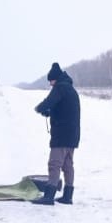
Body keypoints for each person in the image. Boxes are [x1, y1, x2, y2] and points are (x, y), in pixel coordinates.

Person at [32, 61, 80, 205]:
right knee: (68, 165)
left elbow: (48, 102)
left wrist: (39, 108)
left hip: (62, 134)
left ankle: (48, 196)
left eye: (51, 81)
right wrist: (50, 112)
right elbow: (61, 107)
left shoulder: (60, 87)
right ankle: (68, 196)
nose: (50, 84)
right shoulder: (70, 88)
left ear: (55, 79)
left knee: (54, 164)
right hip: (72, 134)